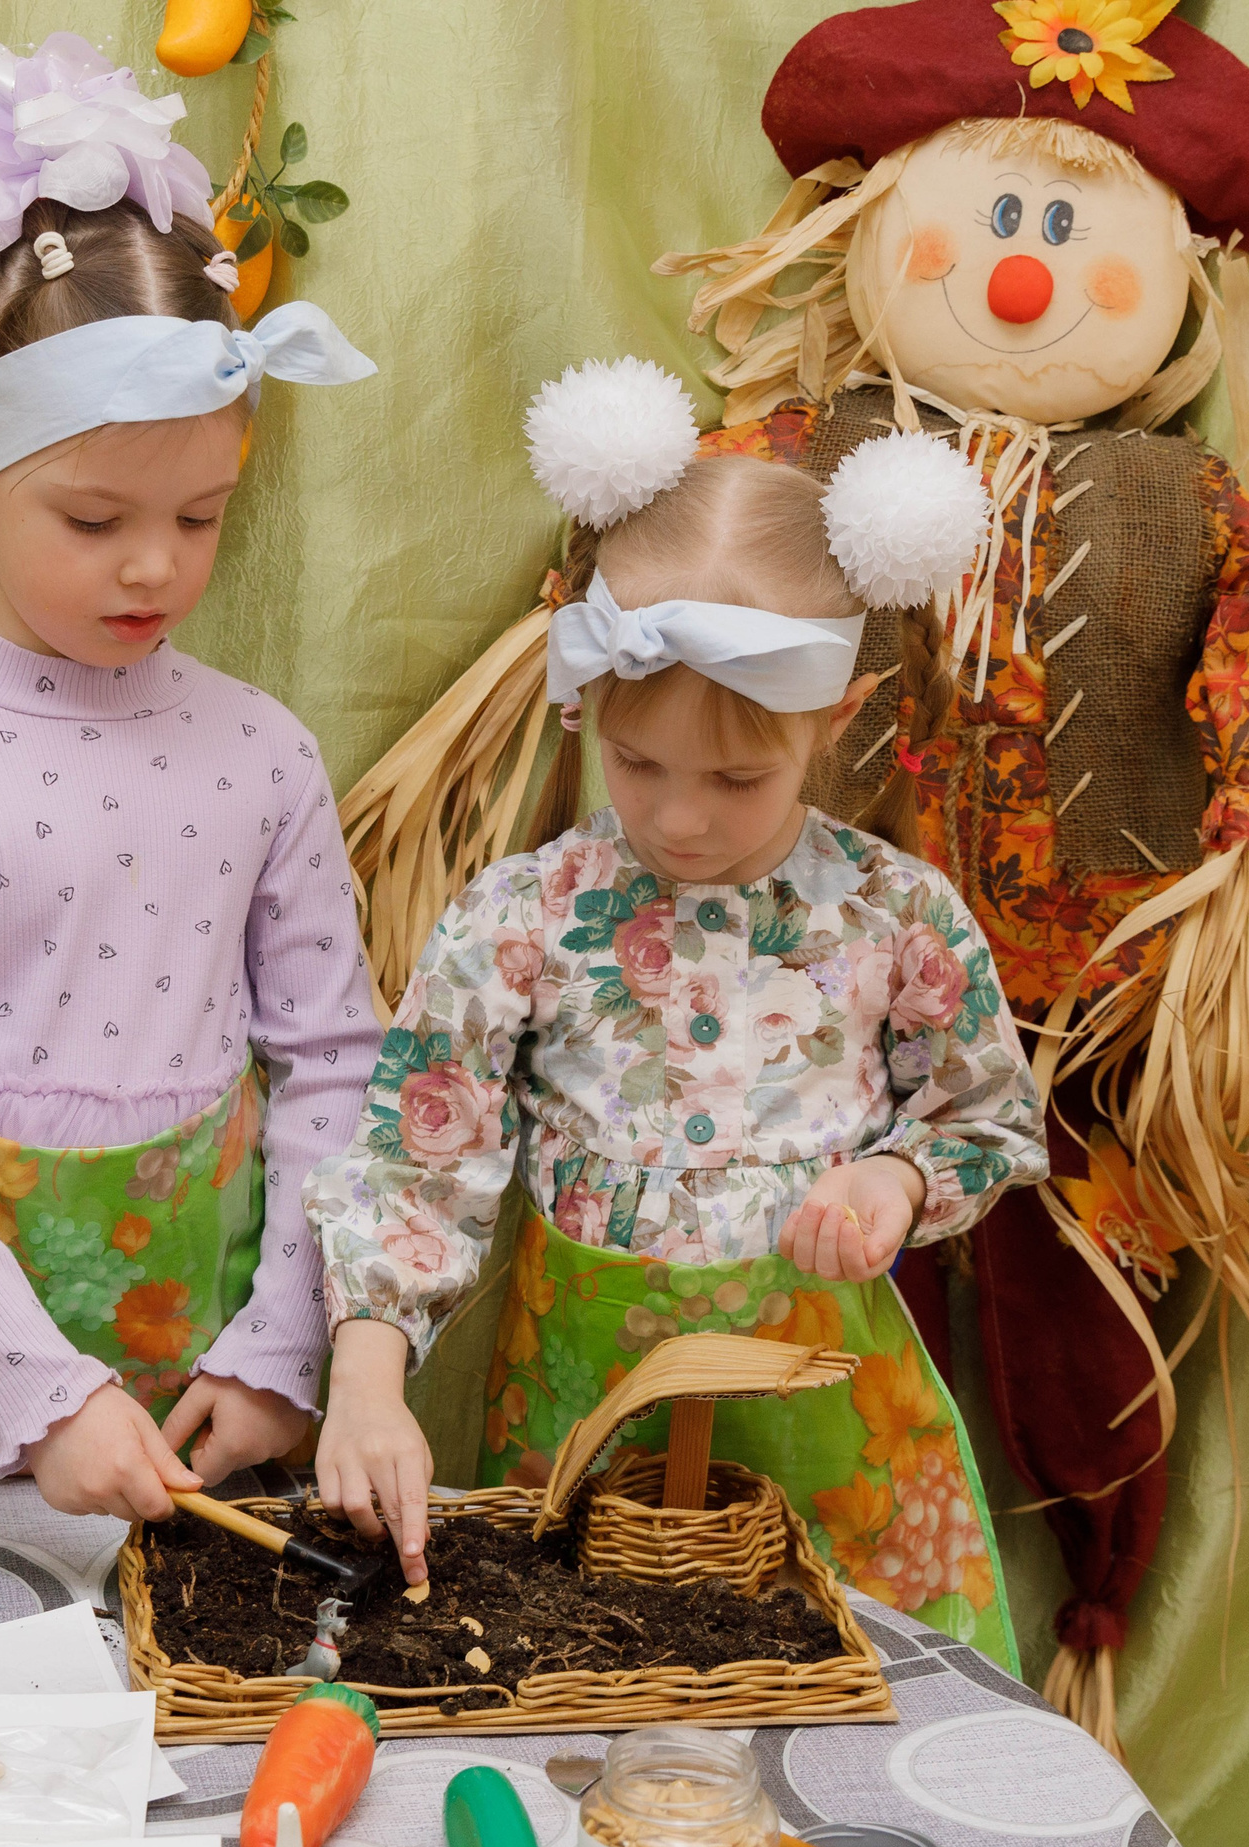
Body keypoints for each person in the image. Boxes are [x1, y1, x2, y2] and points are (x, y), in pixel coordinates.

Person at [306, 362, 1048, 1668]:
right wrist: (366, 1379)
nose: (680, 817)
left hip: (832, 1416)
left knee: (844, 1685)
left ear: (837, 717)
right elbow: (418, 1157)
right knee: (591, 1678)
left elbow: (985, 1117)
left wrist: (893, 1181)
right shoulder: (526, 917)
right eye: (636, 761)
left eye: (738, 778)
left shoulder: (897, 915)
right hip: (587, 1411)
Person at [0, 32, 381, 1518]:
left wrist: (284, 1346)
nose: (154, 567)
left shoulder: (263, 752)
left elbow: (333, 1063)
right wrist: (44, 1397)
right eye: (97, 518)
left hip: (209, 1372)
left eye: (200, 516)